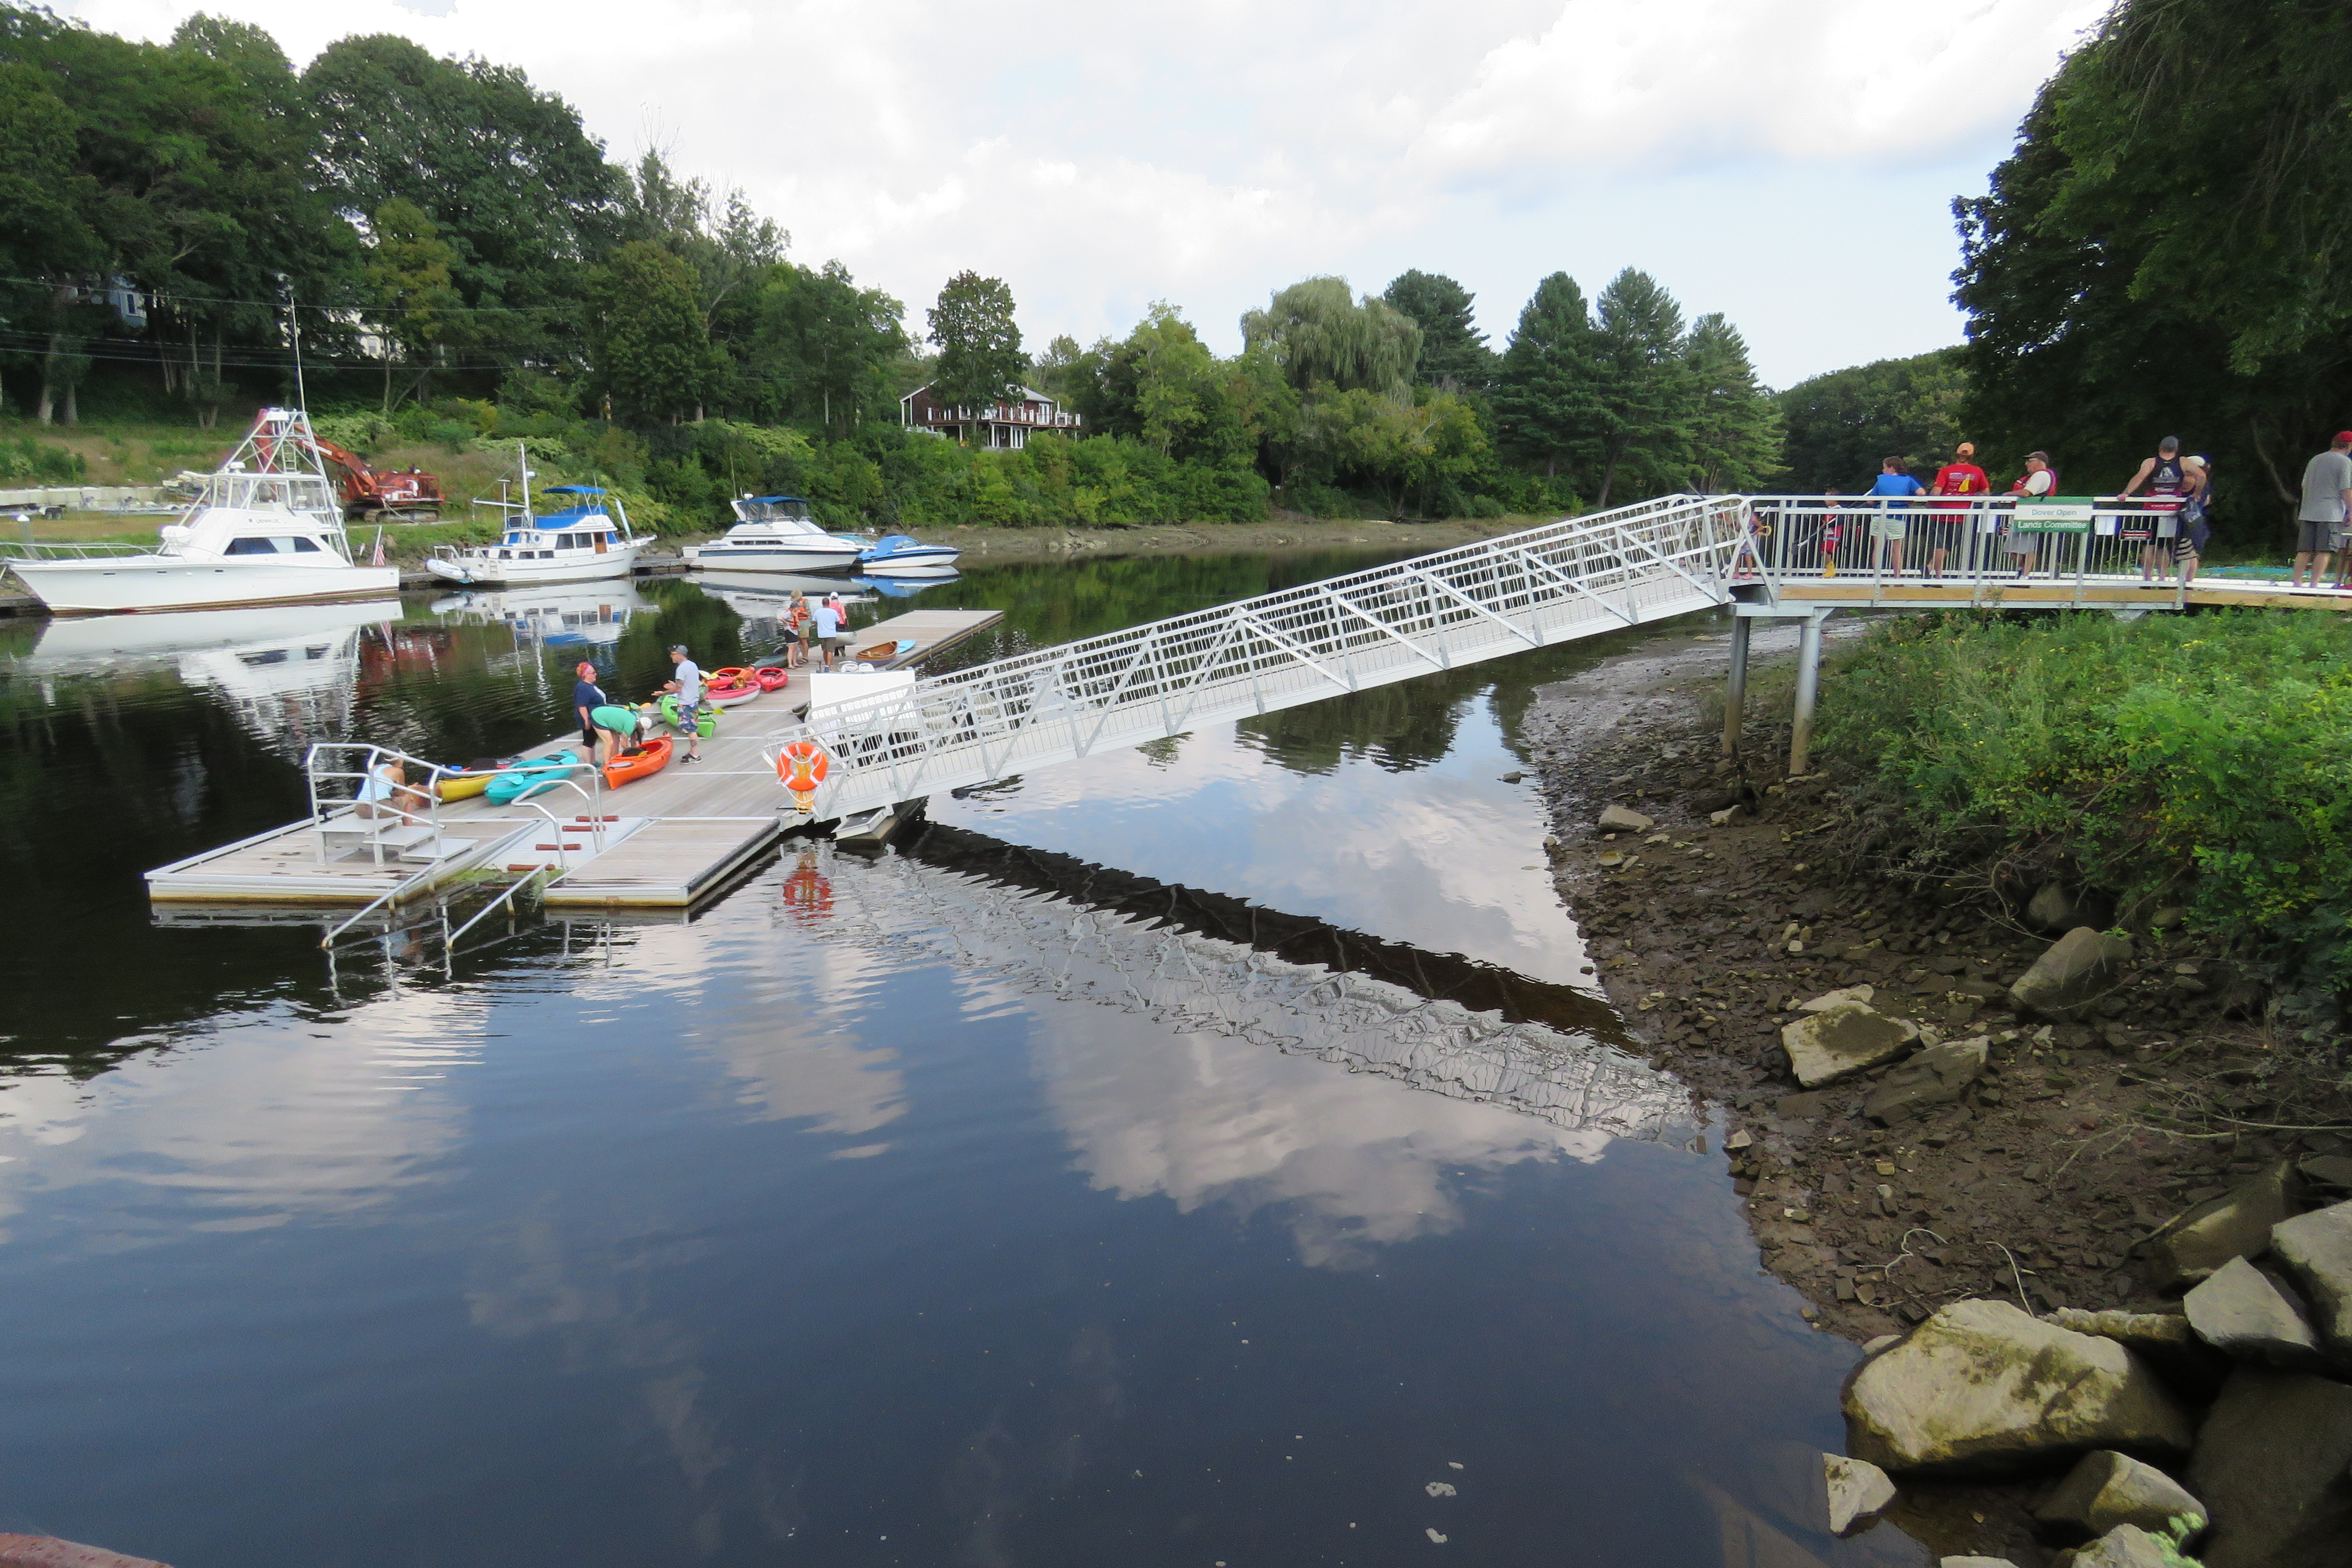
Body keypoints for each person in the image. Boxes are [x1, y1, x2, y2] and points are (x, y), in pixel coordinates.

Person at [2118, 436, 2193, 582]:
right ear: (2177, 450)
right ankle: (2162, 578)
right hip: (2171, 510)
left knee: (2148, 546)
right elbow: (2200, 476)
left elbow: (2139, 478)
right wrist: (2197, 494)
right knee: (2163, 546)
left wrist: (2126, 493)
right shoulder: (2183, 462)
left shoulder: (2151, 462)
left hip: (2151, 509)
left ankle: (2147, 579)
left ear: (2160, 448)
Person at [2294, 432, 2352, 589]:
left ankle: (2297, 583)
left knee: (2304, 550)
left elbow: (2304, 486)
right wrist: (2350, 511)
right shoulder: (2344, 462)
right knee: (2324, 550)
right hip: (2330, 513)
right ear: (2348, 446)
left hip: (2308, 511)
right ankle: (2314, 584)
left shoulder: (2316, 459)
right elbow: (2346, 489)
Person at [1926, 442, 1991, 577]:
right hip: (1961, 514)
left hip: (1941, 512)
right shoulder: (1977, 471)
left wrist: (1929, 504)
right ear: (1972, 456)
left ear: (1956, 453)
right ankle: (1934, 571)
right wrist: (1974, 495)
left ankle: (1934, 571)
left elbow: (1936, 492)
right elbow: (1986, 494)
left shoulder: (1946, 470)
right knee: (1949, 545)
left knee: (1940, 544)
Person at [1865, 456, 1925, 574]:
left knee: (1878, 548)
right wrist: (1909, 501)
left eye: (1885, 468)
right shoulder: (1908, 479)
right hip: (1897, 517)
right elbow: (1922, 493)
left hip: (1880, 515)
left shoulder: (1881, 480)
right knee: (1897, 550)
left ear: (1892, 468)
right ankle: (1897, 578)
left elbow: (1871, 501)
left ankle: (1878, 578)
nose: (1883, 471)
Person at [2004, 452, 2057, 577]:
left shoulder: (2041, 475)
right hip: (2025, 516)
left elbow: (2026, 493)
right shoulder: (2038, 476)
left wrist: (2005, 495)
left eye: (2029, 461)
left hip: (2031, 516)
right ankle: (2023, 572)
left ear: (2039, 462)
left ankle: (2025, 575)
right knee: (2014, 549)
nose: (2026, 464)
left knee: (2026, 548)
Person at [660, 644, 707, 762]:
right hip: (693, 701)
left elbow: (678, 689)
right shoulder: (692, 665)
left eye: (673, 654)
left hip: (686, 703)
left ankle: (696, 755)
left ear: (679, 654)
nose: (671, 656)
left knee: (690, 731)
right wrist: (674, 685)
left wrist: (663, 693)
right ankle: (693, 752)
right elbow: (687, 683)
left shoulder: (681, 669)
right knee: (692, 729)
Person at [355, 756, 429, 823]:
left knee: (392, 800)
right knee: (407, 797)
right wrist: (411, 789)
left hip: (361, 809)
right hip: (379, 810)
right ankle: (408, 828)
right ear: (399, 760)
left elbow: (381, 791)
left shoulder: (374, 768)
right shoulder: (398, 771)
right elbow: (402, 794)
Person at [571, 660, 610, 762]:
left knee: (593, 739)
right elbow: (582, 706)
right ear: (586, 675)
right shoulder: (582, 688)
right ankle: (589, 764)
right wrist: (587, 721)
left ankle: (593, 762)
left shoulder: (590, 685)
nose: (595, 674)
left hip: (596, 716)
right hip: (588, 717)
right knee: (589, 740)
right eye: (593, 673)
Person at [811, 594, 844, 672]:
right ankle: (828, 667)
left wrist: (820, 624)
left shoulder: (818, 612)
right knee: (830, 651)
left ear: (822, 603)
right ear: (829, 603)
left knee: (825, 651)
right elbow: (838, 621)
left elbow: (814, 621)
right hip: (831, 633)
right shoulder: (833, 612)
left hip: (822, 633)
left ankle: (826, 664)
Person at [786, 590, 812, 668]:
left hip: (804, 624)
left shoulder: (805, 602)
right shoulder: (794, 605)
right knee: (798, 642)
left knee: (804, 641)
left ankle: (805, 657)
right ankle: (795, 659)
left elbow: (809, 613)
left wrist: (801, 612)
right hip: (796, 625)